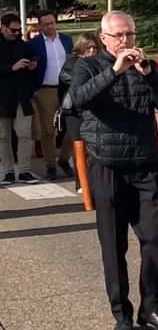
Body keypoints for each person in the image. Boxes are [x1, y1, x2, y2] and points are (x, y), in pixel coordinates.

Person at [69, 11, 158, 330]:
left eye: (129, 34)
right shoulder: (88, 66)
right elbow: (79, 99)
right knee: (113, 245)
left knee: (156, 238)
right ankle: (122, 314)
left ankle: (152, 307)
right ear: (104, 39)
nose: (125, 41)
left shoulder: (146, 66)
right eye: (118, 36)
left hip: (144, 163)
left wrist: (149, 74)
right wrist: (115, 71)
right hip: (107, 165)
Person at [28, 10, 74, 180]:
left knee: (73, 125)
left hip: (67, 88)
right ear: (40, 26)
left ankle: (64, 158)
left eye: (52, 23)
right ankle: (51, 166)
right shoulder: (34, 44)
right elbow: (29, 66)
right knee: (48, 130)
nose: (50, 27)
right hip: (45, 89)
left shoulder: (67, 40)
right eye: (46, 24)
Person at [57, 32, 99, 193]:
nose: (92, 51)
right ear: (80, 48)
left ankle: (93, 179)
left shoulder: (100, 62)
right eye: (88, 47)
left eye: (95, 47)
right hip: (73, 110)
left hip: (93, 109)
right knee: (79, 146)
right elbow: (65, 78)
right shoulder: (72, 62)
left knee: (92, 146)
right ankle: (80, 182)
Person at [0, 13, 38, 184]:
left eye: (19, 30)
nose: (16, 34)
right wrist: (11, 67)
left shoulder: (23, 45)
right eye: (13, 30)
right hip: (2, 96)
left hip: (22, 95)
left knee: (24, 133)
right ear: (3, 27)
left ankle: (24, 170)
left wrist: (32, 65)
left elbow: (32, 59)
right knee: (3, 136)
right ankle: (7, 171)